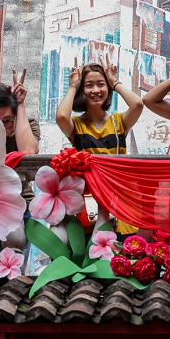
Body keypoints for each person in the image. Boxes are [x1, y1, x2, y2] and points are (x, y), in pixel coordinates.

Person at [55, 57, 145, 236]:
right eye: (89, 85)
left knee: (124, 256)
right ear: (82, 90)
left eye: (101, 84)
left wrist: (115, 82)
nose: (95, 90)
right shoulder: (76, 125)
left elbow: (137, 104)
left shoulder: (118, 121)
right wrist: (73, 86)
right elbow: (61, 117)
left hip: (120, 201)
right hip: (89, 204)